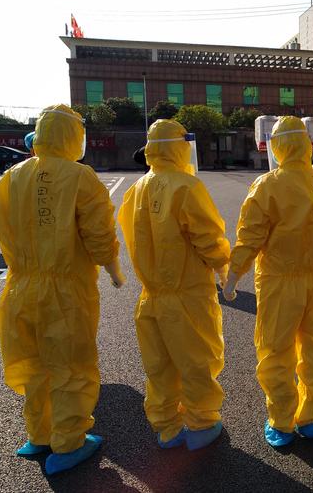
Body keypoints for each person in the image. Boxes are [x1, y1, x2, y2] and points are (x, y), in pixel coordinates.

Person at [0, 104, 124, 475]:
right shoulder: (80, 177)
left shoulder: (12, 176)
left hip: (19, 288)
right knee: (70, 367)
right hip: (64, 291)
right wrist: (113, 270)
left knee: (34, 367)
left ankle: (39, 434)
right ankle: (69, 442)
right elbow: (99, 235)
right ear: (72, 137)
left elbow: (0, 223)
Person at [223, 116, 313, 447]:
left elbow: (250, 236)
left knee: (276, 351)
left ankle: (282, 421)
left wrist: (233, 276)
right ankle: (312, 416)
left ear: (275, 146)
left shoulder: (267, 185)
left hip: (279, 283)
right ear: (305, 144)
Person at [118, 119, 230, 450]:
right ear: (181, 146)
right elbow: (208, 238)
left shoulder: (137, 189)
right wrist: (224, 267)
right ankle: (201, 424)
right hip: (187, 294)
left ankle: (166, 426)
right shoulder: (186, 186)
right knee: (197, 362)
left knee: (160, 366)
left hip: (151, 295)